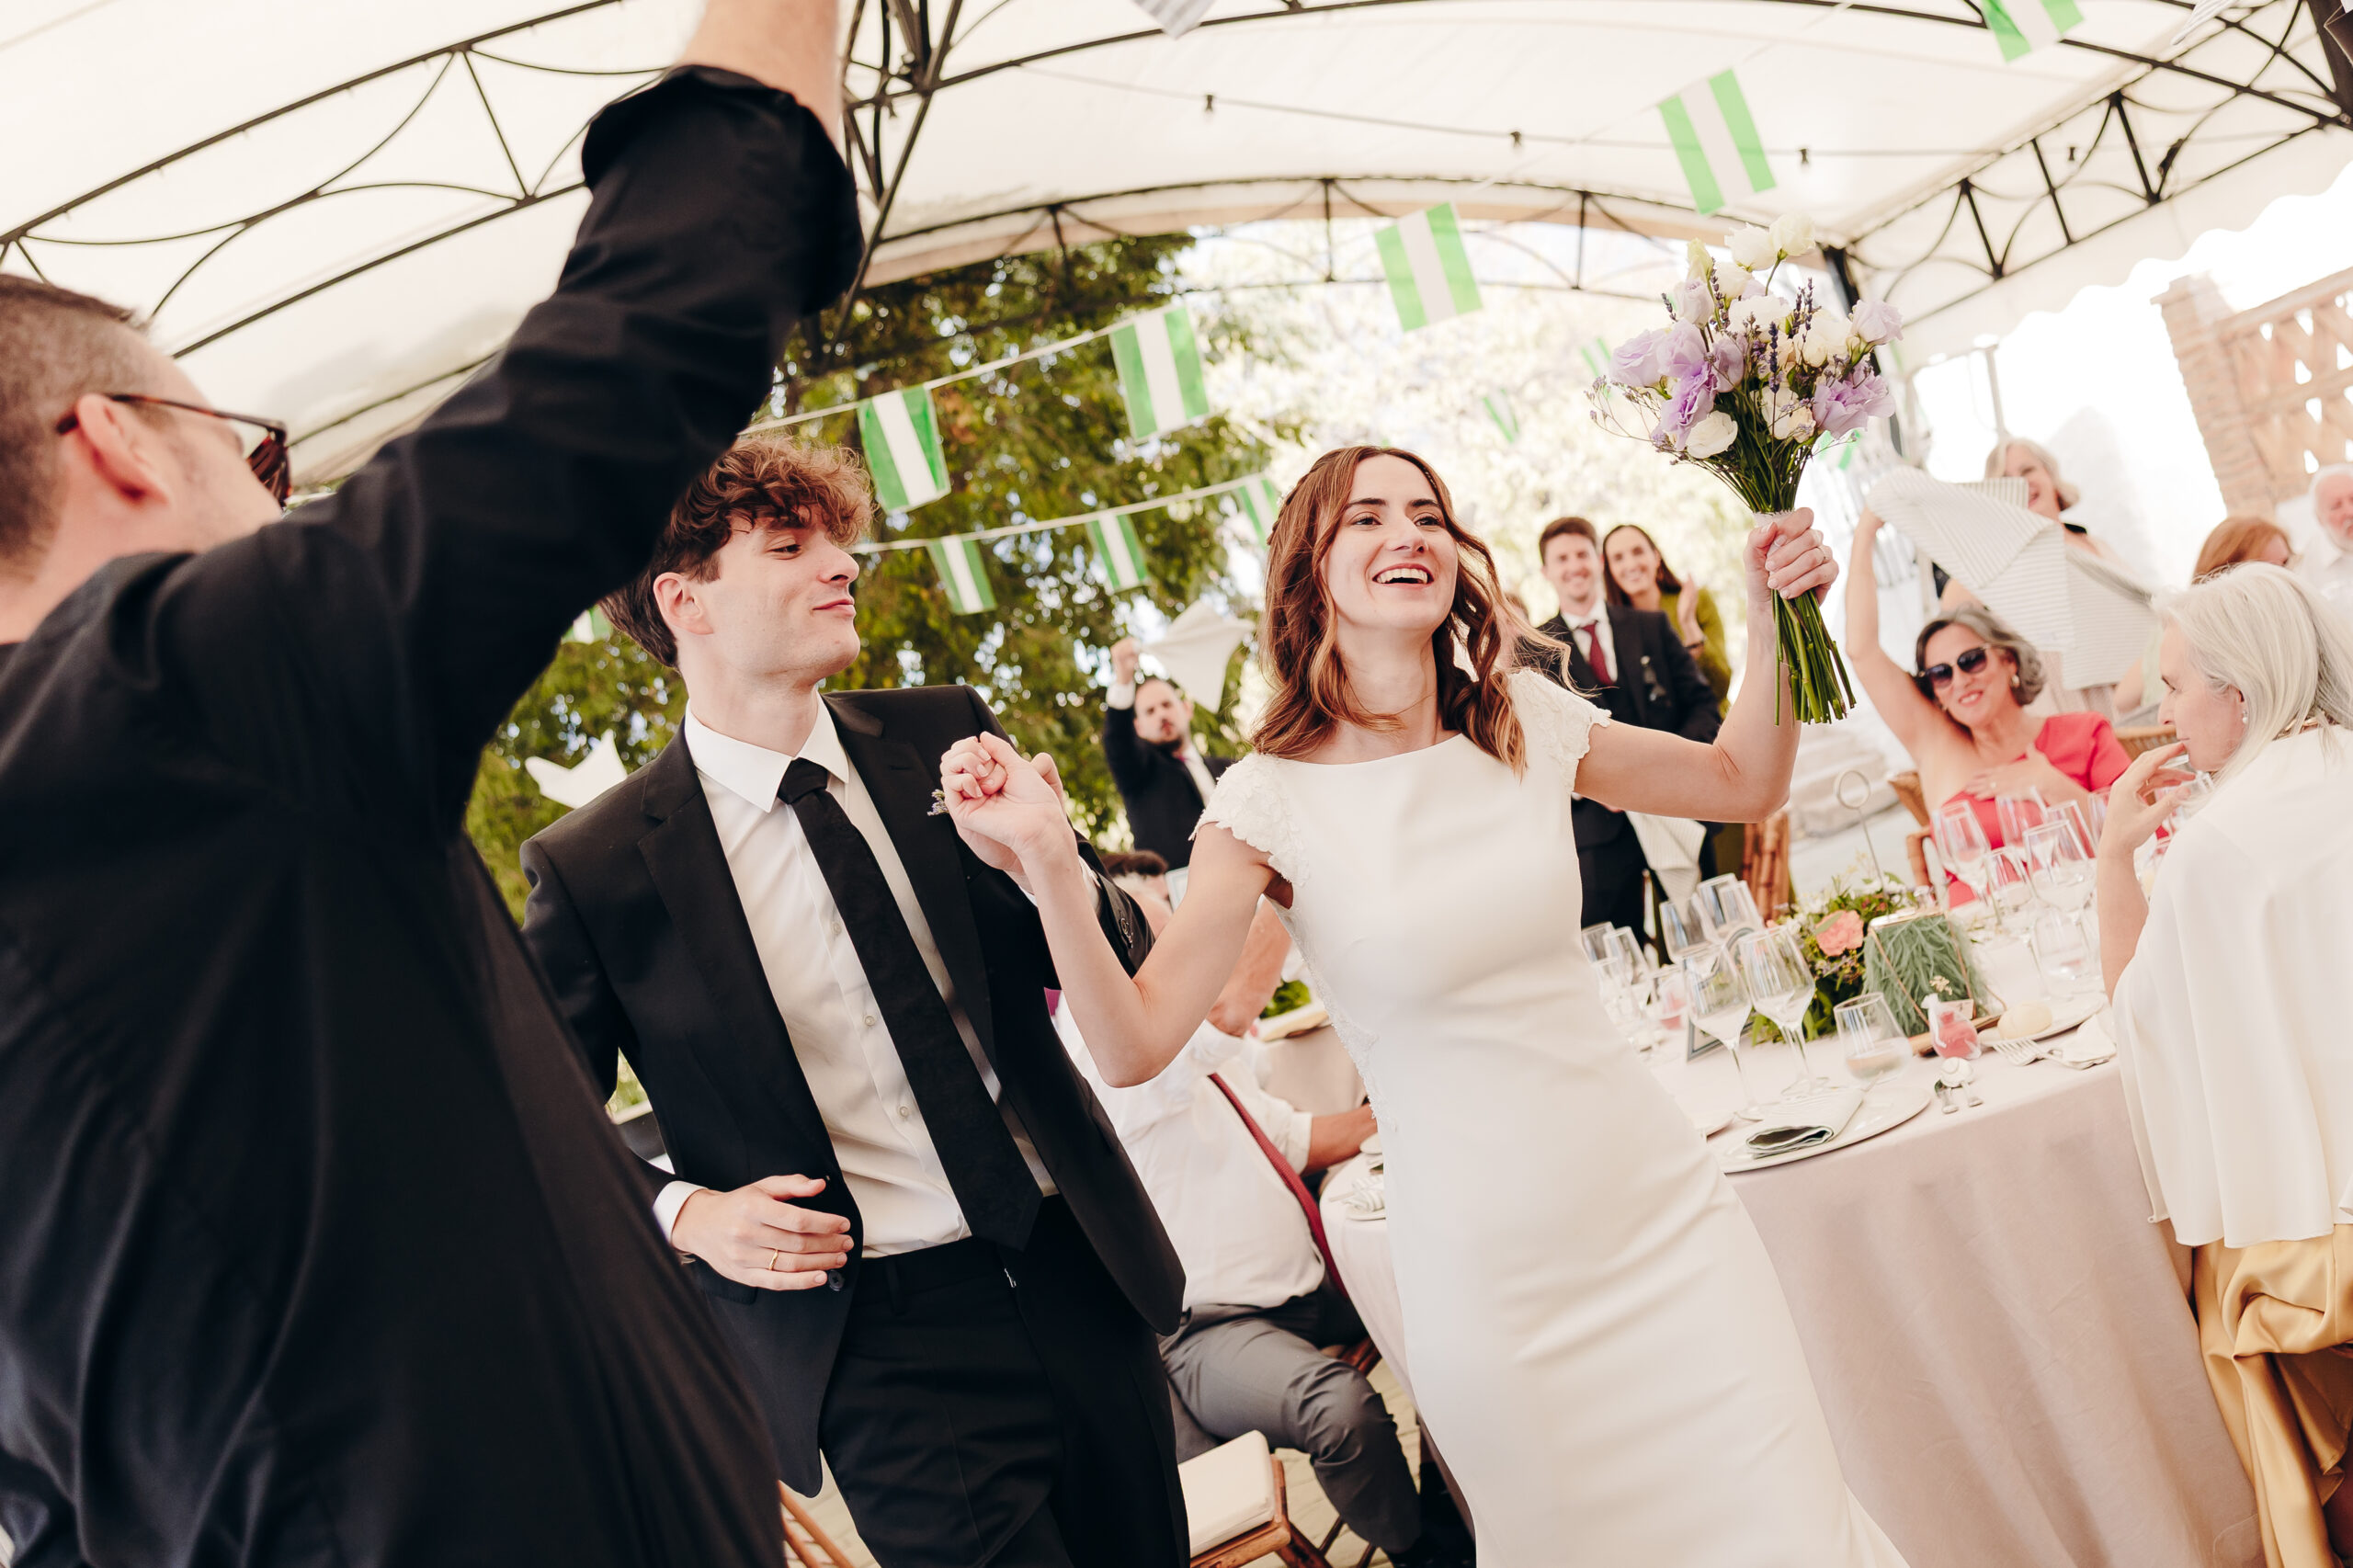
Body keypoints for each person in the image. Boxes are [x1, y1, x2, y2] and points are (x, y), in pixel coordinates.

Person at [0, 7, 860, 1563]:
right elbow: (639, 342)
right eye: (251, 455)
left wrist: (692, 1444)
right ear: (115, 441)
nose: (278, 512)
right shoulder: (162, 694)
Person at [942, 445, 1908, 1566]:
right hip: (1488, 1274)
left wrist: (1768, 609)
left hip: (1662, 1216)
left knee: (1786, 1520)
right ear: (1310, 569)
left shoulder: (1527, 721)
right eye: (1366, 519)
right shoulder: (1266, 801)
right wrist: (1052, 865)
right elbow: (1134, 1040)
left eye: (1428, 515)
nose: (1408, 534)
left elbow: (1743, 781)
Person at [517, 435, 1185, 1568]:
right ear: (687, 602)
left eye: (838, 539)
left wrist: (1051, 861)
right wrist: (691, 1216)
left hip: (1077, 1269)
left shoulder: (944, 729)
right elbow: (528, 1125)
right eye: (790, 545)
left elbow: (1111, 955)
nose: (842, 564)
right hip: (881, 1347)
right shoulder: (595, 867)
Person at [2094, 563, 2353, 1568]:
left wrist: (2116, 856)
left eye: (2172, 686)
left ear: (2238, 696)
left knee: (2223, 1297)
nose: (2163, 713)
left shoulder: (2215, 844)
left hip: (2331, 1247)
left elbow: (2143, 1031)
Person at [1048, 1005, 1459, 1568]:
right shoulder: (1104, 1052)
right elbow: (1232, 1005)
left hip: (1308, 1283)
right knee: (1340, 1410)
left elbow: (1287, 1138)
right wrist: (1263, 910)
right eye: (1154, 914)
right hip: (1211, 1328)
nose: (1165, 921)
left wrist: (1405, 1104)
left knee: (1447, 1304)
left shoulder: (1183, 1038)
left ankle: (1445, 1491)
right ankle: (1426, 1552)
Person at [1847, 510, 2131, 857]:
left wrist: (2051, 784)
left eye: (1971, 660)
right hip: (1977, 912)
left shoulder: (2084, 734)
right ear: (1935, 692)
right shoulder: (1938, 744)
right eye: (1941, 673)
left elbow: (2143, 838)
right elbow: (1861, 649)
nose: (1960, 680)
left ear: (2008, 659)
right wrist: (1865, 532)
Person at [1534, 515, 1723, 933]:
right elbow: (1535, 746)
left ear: (1598, 561)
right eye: (1561, 558)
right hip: (1600, 832)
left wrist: (1670, 765)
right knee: (1622, 959)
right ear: (1546, 572)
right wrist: (1591, 787)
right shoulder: (1533, 651)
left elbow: (1702, 705)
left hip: (1677, 809)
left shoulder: (1650, 626)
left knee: (1711, 934)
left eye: (1582, 554)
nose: (1574, 566)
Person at [2112, 515, 2293, 717]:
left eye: (2286, 564)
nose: (2284, 580)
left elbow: (2122, 699)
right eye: (2267, 571)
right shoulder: (2228, 631)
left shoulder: (2172, 623)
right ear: (2225, 574)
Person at [1103, 635, 1231, 880]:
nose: (1161, 714)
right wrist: (1123, 678)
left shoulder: (1228, 769)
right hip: (1180, 894)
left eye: (1166, 704)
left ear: (1186, 709)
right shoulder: (1138, 772)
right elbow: (1117, 740)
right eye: (1150, 711)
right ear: (1138, 727)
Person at [1603, 521, 1731, 705]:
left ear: (1656, 557)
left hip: (1717, 728)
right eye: (1618, 558)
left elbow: (1720, 688)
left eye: (1638, 552)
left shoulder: (1697, 600)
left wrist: (1688, 625)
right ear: (1610, 570)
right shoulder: (1608, 627)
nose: (1630, 564)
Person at [2295, 462, 2353, 623]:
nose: (2349, 512)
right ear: (2319, 518)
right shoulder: (2306, 569)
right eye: (2336, 506)